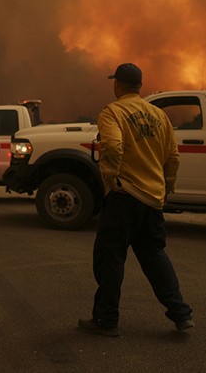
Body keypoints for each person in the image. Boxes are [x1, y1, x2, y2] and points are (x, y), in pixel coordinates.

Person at [78, 63, 193, 337]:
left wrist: (111, 178)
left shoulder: (113, 112)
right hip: (152, 199)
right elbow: (173, 156)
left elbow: (114, 146)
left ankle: (106, 320)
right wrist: (167, 187)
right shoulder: (158, 115)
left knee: (111, 258)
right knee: (154, 256)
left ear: (117, 84)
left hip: (124, 196)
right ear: (139, 86)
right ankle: (181, 314)